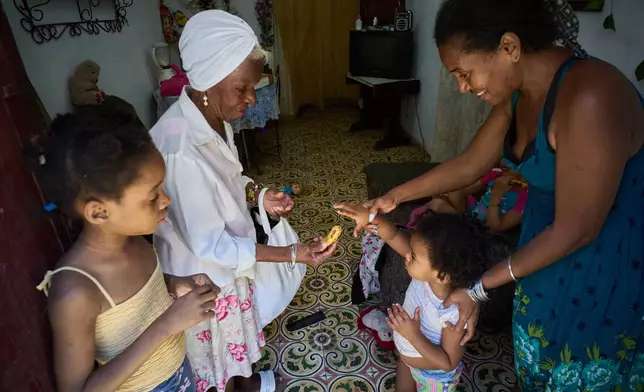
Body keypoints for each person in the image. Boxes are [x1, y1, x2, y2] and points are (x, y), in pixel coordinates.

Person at [361, 0, 644, 389]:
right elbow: (471, 164)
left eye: (464, 73)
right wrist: (396, 195)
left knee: (582, 371)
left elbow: (578, 229)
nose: (462, 87)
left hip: (600, 265)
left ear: (509, 47)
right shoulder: (519, 98)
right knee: (537, 361)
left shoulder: (589, 96)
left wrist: (477, 288)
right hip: (540, 254)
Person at [149, 10, 337, 392]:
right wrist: (292, 253)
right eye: (242, 88)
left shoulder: (212, 117)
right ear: (208, 79)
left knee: (233, 338)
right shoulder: (179, 150)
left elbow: (232, 178)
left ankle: (244, 381)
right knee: (214, 352)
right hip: (201, 274)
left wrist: (260, 196)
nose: (251, 99)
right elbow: (210, 246)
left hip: (226, 261)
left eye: (254, 86)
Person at [35, 112, 222, 392]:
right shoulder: (76, 292)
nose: (166, 200)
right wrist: (165, 326)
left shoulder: (134, 241)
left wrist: (174, 283)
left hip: (179, 374)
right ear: (99, 212)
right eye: (152, 196)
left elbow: (134, 299)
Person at [336, 204, 506, 391]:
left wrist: (412, 335)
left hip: (433, 378)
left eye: (414, 256)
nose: (407, 256)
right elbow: (392, 235)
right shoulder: (426, 276)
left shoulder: (453, 312)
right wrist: (371, 218)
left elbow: (448, 361)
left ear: (442, 275)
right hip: (408, 359)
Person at [423, 165, 527, 233]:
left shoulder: (525, 197)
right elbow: (462, 190)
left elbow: (494, 227)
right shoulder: (498, 173)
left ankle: (460, 229)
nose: (503, 162)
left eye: (511, 162)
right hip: (471, 215)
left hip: (483, 229)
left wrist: (497, 193)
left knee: (438, 205)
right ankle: (460, 226)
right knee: (445, 195)